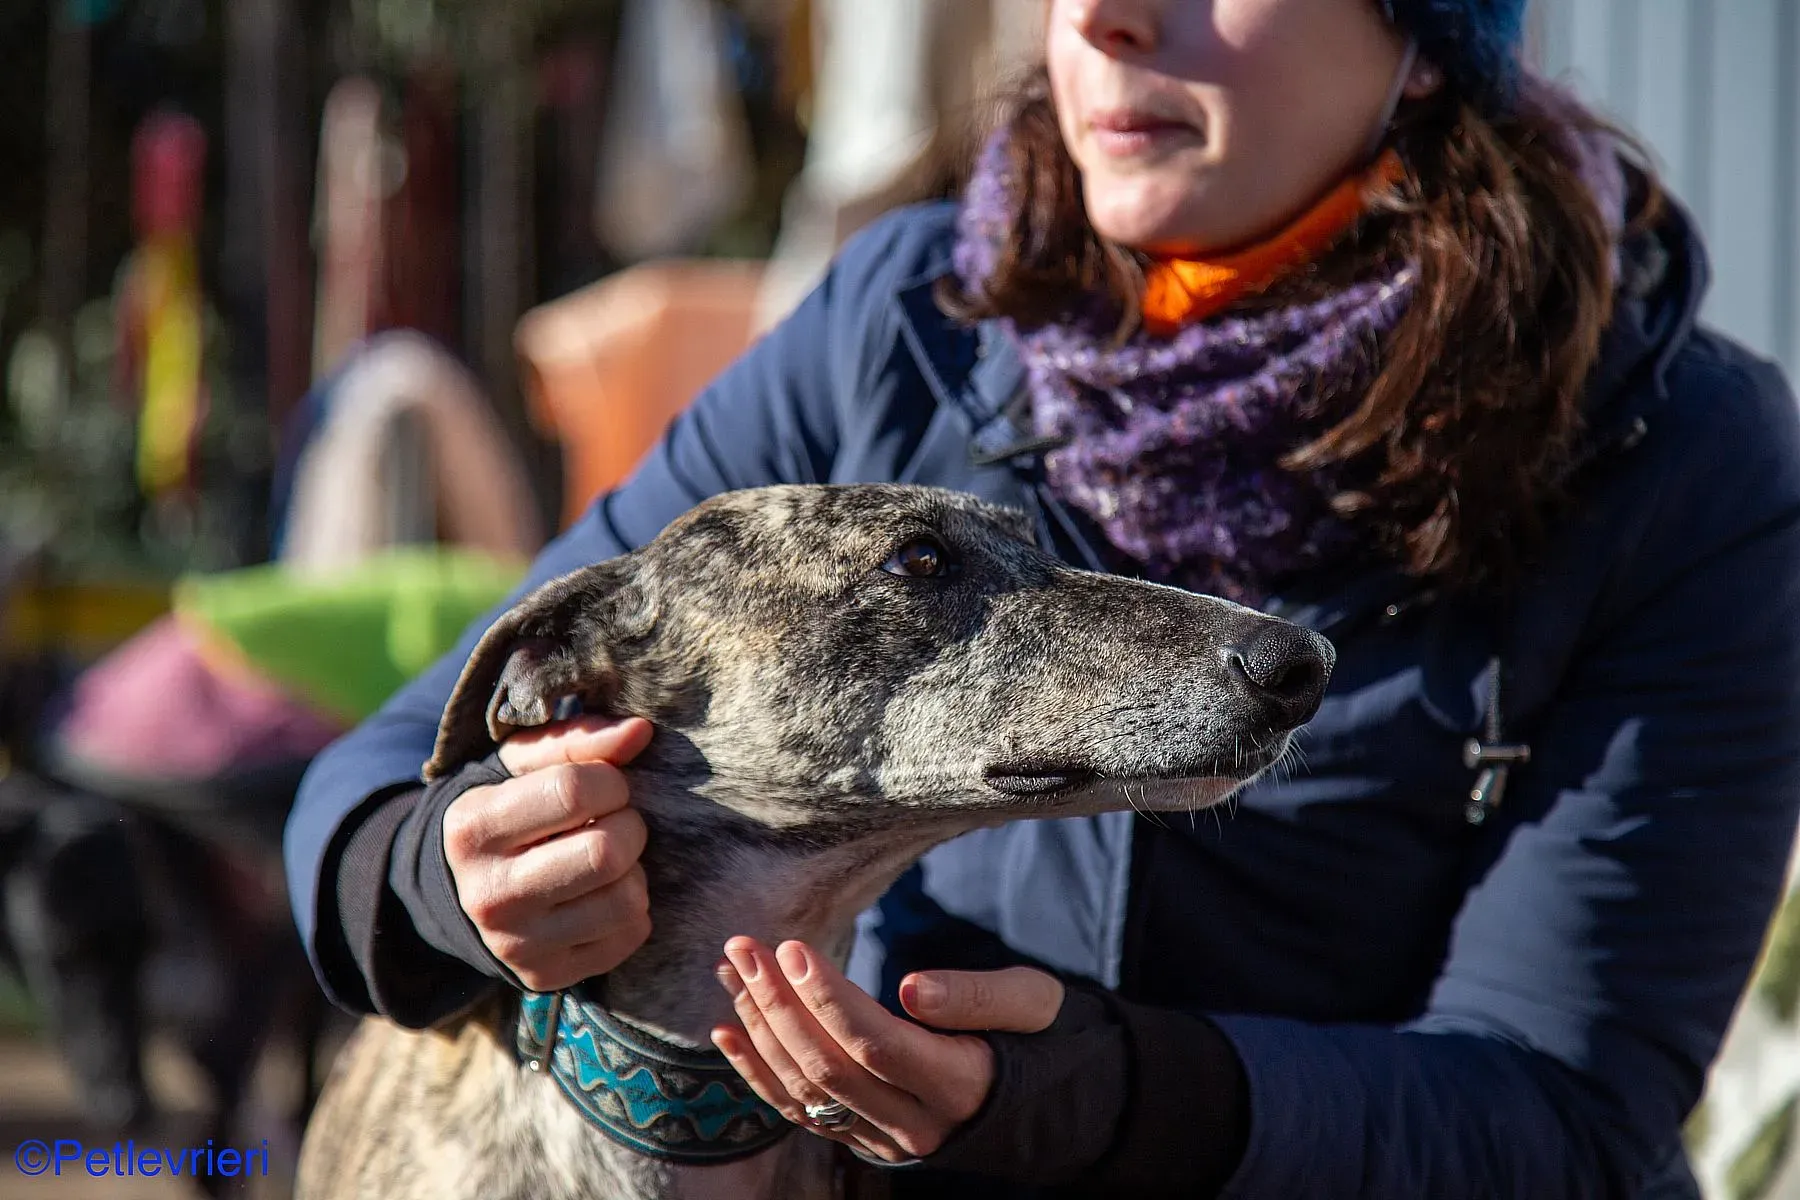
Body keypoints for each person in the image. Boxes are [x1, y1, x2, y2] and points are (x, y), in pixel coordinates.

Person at [283, 1, 1800, 1196]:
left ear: (1420, 41)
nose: (1105, 17)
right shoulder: (906, 326)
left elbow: (1561, 1110)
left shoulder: (1679, 457)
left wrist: (1101, 1099)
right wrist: (441, 874)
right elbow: (393, 768)